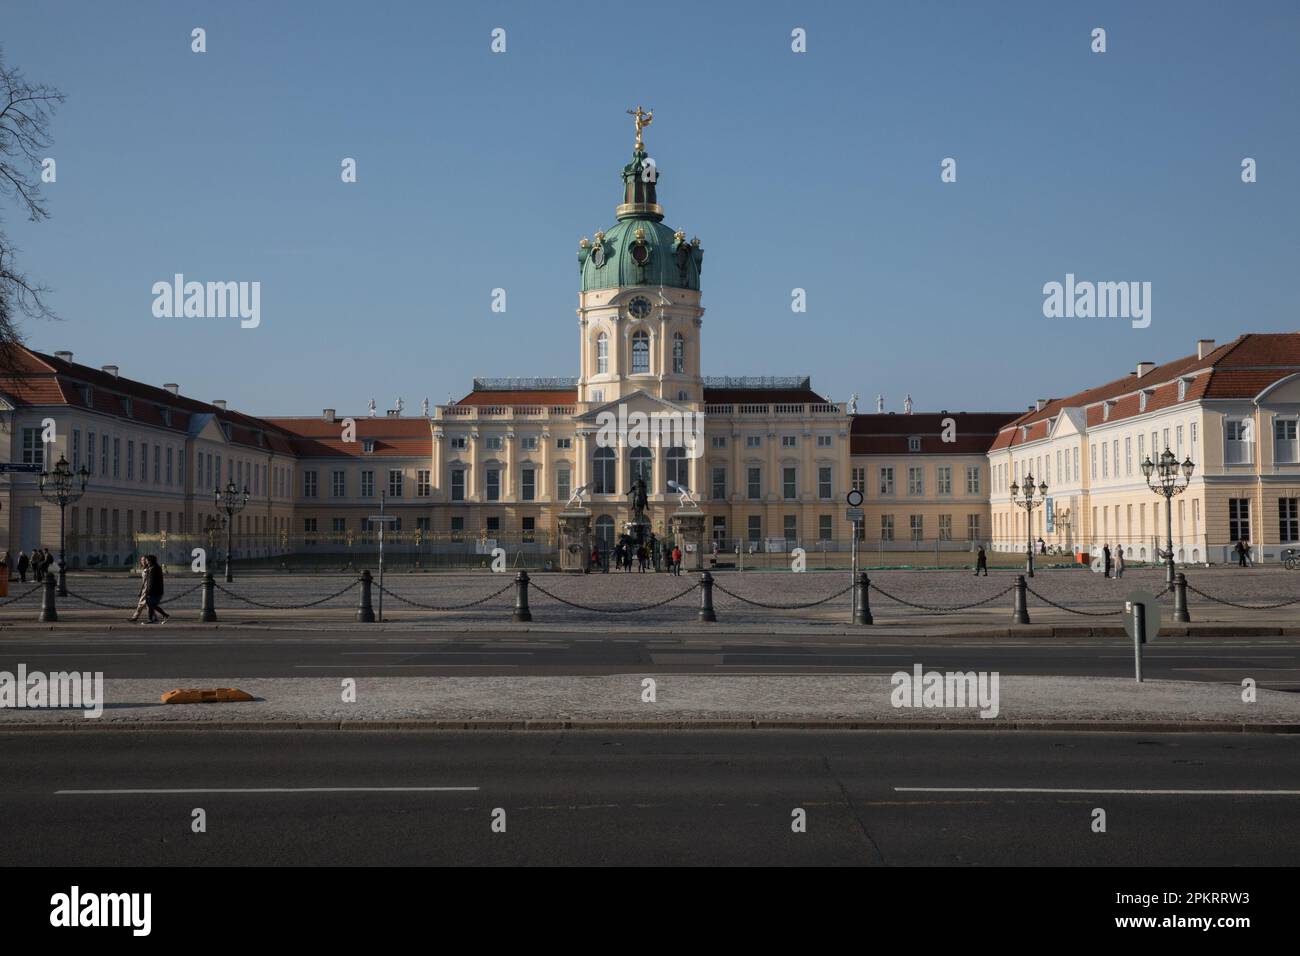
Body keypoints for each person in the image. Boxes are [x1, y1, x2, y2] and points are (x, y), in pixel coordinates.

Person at [143, 554, 169, 624]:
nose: (146, 562)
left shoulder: (153, 569)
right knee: (152, 605)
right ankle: (164, 615)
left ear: (150, 561)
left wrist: (148, 592)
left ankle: (151, 619)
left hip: (154, 591)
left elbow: (151, 582)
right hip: (158, 591)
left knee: (150, 604)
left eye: (146, 560)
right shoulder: (156, 567)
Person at [128, 556, 149, 622]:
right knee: (148, 605)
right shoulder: (145, 569)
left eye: (144, 560)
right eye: (142, 560)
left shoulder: (147, 570)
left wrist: (141, 591)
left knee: (140, 604)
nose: (142, 561)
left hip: (146, 589)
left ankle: (135, 617)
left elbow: (145, 582)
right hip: (145, 589)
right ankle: (154, 617)